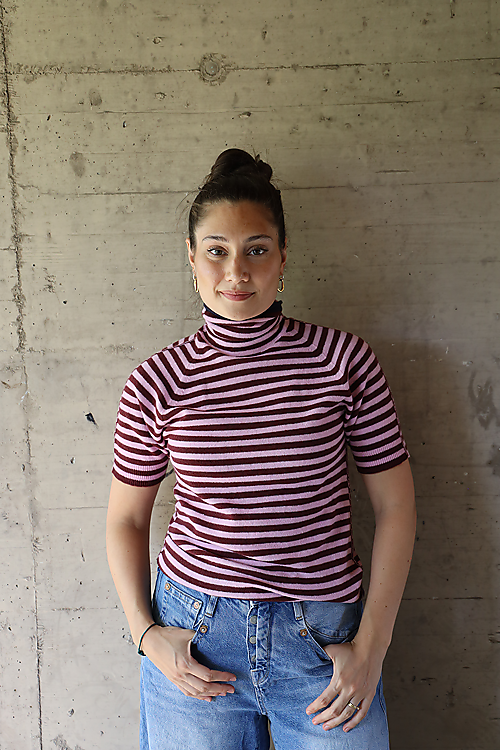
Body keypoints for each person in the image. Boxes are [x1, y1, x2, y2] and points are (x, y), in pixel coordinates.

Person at [106, 148, 416, 750]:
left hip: (322, 644)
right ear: (191, 258)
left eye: (256, 250)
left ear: (283, 257)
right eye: (216, 250)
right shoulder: (158, 380)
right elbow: (126, 519)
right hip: (196, 642)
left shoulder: (343, 361)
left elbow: (397, 507)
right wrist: (147, 636)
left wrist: (372, 647)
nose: (236, 272)